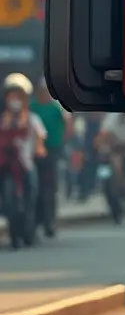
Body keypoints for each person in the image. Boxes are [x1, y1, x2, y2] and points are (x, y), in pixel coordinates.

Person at [0, 74, 47, 225]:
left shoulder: (32, 119)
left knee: (33, 190)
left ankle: (33, 221)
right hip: (6, 165)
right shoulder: (3, 120)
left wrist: (39, 150)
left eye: (18, 97)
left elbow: (40, 139)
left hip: (27, 164)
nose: (14, 100)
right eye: (11, 96)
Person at [30, 78, 70, 237]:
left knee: (49, 187)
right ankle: (34, 221)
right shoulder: (32, 106)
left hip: (52, 150)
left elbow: (68, 123)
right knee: (35, 186)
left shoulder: (55, 107)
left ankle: (49, 221)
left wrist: (63, 139)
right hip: (33, 151)